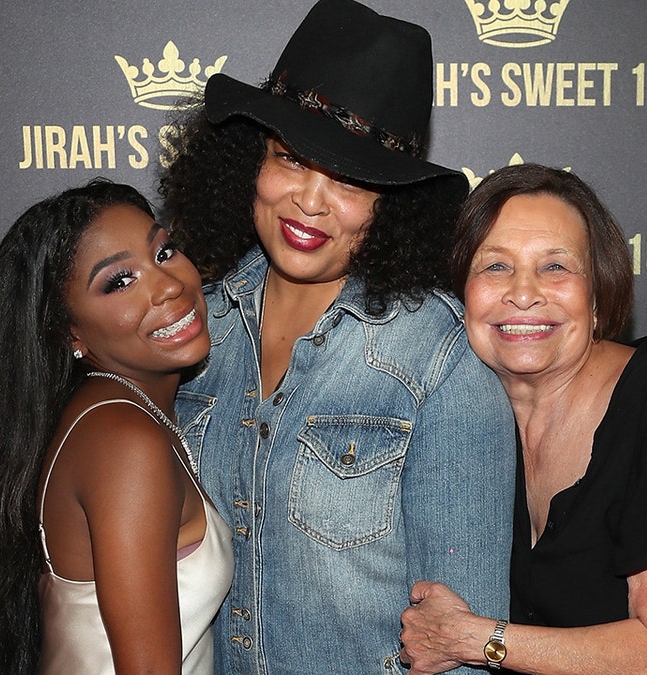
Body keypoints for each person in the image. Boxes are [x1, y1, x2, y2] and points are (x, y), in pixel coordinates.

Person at [158, 0, 515, 672]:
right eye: (289, 159)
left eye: (350, 180)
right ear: (247, 164)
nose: (311, 200)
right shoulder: (190, 334)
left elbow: (462, 650)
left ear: (391, 204)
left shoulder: (440, 363)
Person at [398, 164, 647, 674]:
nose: (523, 292)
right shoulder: (457, 414)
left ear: (598, 296)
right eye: (495, 267)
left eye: (556, 267)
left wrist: (475, 640)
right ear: (460, 293)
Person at [0, 179, 232, 674]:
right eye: (119, 281)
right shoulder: (124, 438)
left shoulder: (110, 413)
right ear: (69, 333)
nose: (168, 285)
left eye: (164, 252)